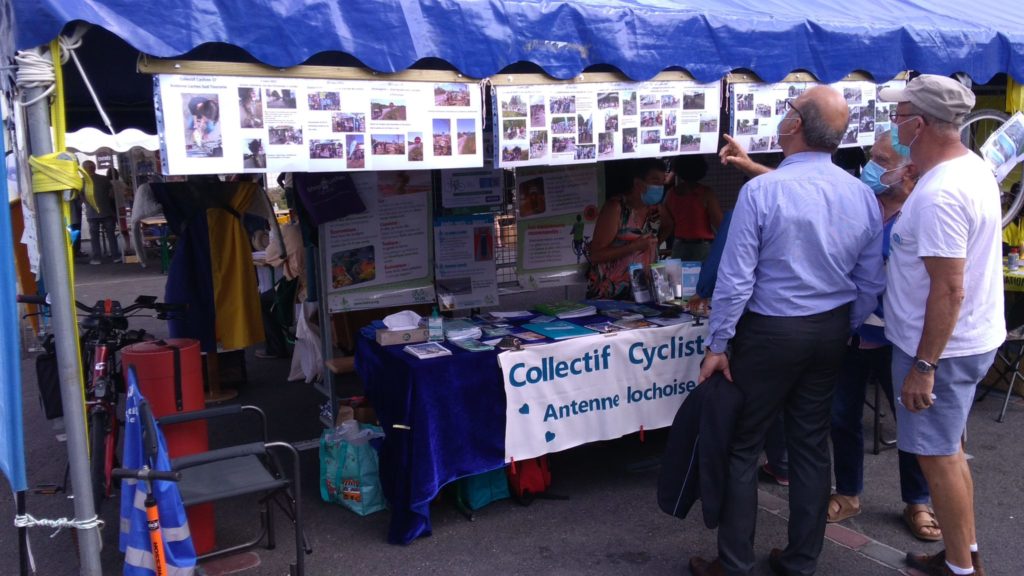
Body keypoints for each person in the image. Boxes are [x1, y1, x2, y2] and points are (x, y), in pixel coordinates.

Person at [692, 86, 884, 576]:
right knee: (810, 445)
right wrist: (847, 325)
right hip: (829, 329)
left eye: (789, 108)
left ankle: (734, 563)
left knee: (742, 442)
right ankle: (801, 560)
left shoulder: (762, 191)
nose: (784, 115)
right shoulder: (860, 194)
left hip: (771, 331)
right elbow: (869, 280)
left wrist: (718, 344)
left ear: (796, 125)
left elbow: (736, 280)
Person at [880, 75, 1005, 576]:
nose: (892, 124)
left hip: (941, 349)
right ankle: (962, 553)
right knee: (949, 449)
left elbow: (948, 288)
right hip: (967, 340)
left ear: (920, 123)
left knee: (939, 458)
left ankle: (960, 569)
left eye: (899, 115)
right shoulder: (967, 169)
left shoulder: (943, 192)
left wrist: (924, 365)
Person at [827, 130, 940, 542]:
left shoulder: (926, 210)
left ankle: (918, 501)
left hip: (902, 339)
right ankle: (849, 493)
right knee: (842, 417)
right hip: (852, 334)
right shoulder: (857, 204)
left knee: (912, 424)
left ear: (906, 168)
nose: (869, 167)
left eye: (880, 159)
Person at [586, 158, 672, 300]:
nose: (660, 187)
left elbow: (669, 226)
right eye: (655, 182)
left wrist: (652, 246)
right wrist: (634, 247)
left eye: (663, 182)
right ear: (638, 183)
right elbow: (596, 255)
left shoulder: (656, 209)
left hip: (643, 292)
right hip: (610, 293)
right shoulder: (616, 208)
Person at [663, 154, 723, 262]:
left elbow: (668, 224)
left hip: (679, 245)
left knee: (678, 278)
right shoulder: (706, 193)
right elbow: (719, 223)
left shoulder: (670, 194)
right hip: (702, 247)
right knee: (702, 278)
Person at [82, 160, 121, 265]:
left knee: (94, 237)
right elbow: (111, 195)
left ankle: (97, 258)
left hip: (91, 213)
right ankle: (116, 256)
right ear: (94, 168)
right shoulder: (104, 179)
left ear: (83, 169)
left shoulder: (82, 182)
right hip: (106, 211)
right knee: (111, 235)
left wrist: (87, 202)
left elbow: (80, 197)